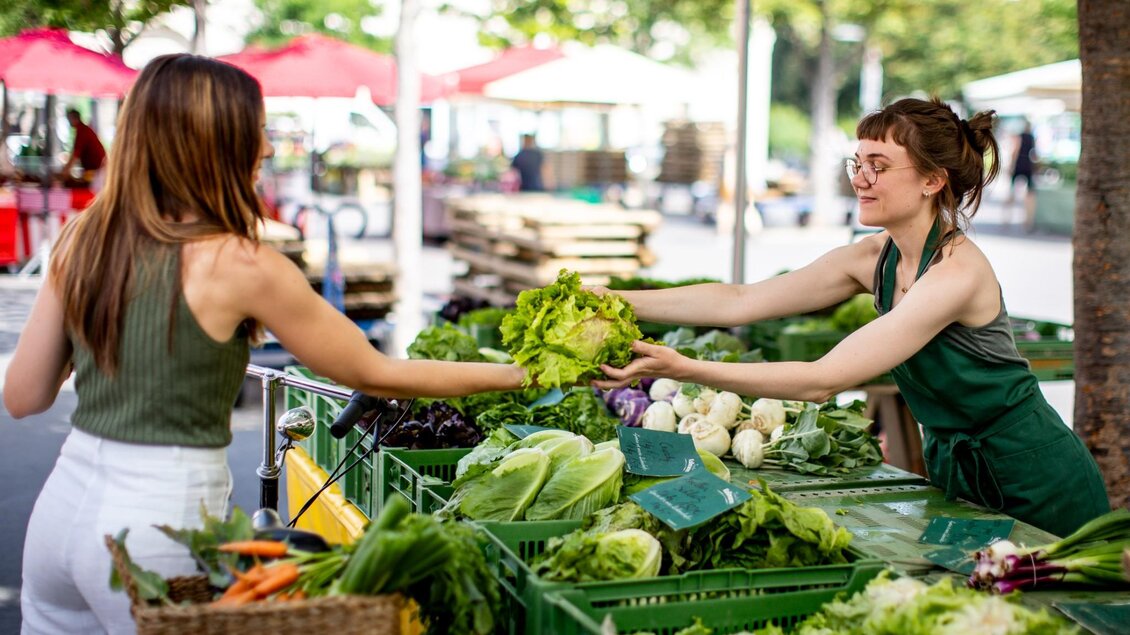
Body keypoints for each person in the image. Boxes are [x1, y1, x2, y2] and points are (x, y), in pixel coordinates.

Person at [3, 54, 525, 635]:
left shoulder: (83, 237)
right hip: (158, 528)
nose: (269, 149)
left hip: (60, 513)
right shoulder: (242, 263)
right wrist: (522, 375)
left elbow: (23, 396)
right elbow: (374, 373)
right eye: (257, 132)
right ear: (216, 144)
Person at [593, 98, 1109, 539]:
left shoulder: (958, 273)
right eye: (856, 163)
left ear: (933, 179)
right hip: (956, 463)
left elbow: (824, 380)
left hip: (1035, 474)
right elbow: (739, 300)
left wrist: (683, 367)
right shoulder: (873, 258)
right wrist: (613, 299)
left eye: (879, 167)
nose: (860, 180)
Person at [58, 108, 107, 187]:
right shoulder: (83, 129)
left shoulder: (82, 131)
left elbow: (75, 154)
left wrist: (65, 172)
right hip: (97, 170)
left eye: (69, 119)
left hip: (98, 172)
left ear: (72, 118)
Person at [1005, 119, 1038, 231]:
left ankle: (1006, 219)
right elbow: (1034, 154)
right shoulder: (1032, 138)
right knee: (1029, 194)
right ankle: (1028, 221)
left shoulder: (1020, 136)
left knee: (1012, 192)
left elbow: (1015, 150)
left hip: (1019, 164)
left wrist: (1011, 166)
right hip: (1028, 165)